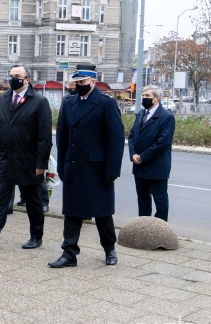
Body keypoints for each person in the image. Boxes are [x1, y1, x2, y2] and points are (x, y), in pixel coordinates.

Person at [48, 64, 125, 268]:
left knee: (102, 213)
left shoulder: (105, 104)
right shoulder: (68, 102)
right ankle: (69, 253)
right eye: (76, 83)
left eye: (81, 82)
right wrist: (62, 166)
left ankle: (109, 249)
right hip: (73, 165)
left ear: (92, 81)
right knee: (72, 212)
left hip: (97, 169)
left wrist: (112, 170)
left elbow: (116, 140)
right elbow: (62, 137)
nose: (78, 86)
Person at [0, 65, 52, 253]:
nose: (13, 79)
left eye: (17, 76)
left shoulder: (39, 101)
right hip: (6, 159)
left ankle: (36, 236)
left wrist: (42, 163)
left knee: (33, 202)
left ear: (27, 79)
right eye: (10, 76)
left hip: (29, 161)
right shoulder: (2, 99)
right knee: (1, 200)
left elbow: (44, 136)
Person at [128, 84, 176, 222]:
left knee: (160, 201)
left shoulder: (166, 117)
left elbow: (163, 142)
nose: (144, 98)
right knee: (143, 200)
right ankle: (144, 228)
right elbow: (132, 135)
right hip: (139, 166)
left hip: (157, 166)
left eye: (148, 96)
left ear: (157, 98)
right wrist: (133, 155)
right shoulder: (141, 114)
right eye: (143, 95)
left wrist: (142, 157)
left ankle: (160, 231)